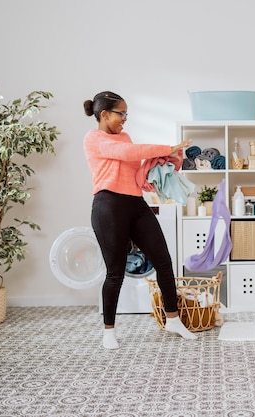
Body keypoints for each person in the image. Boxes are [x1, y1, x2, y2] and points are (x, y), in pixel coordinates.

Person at [83, 91, 196, 349]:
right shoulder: (94, 138)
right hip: (108, 206)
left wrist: (165, 162)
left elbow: (136, 173)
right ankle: (109, 331)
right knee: (115, 273)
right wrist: (167, 147)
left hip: (135, 204)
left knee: (164, 262)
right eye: (121, 114)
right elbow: (127, 153)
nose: (125, 119)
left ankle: (173, 319)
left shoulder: (124, 137)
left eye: (126, 114)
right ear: (104, 114)